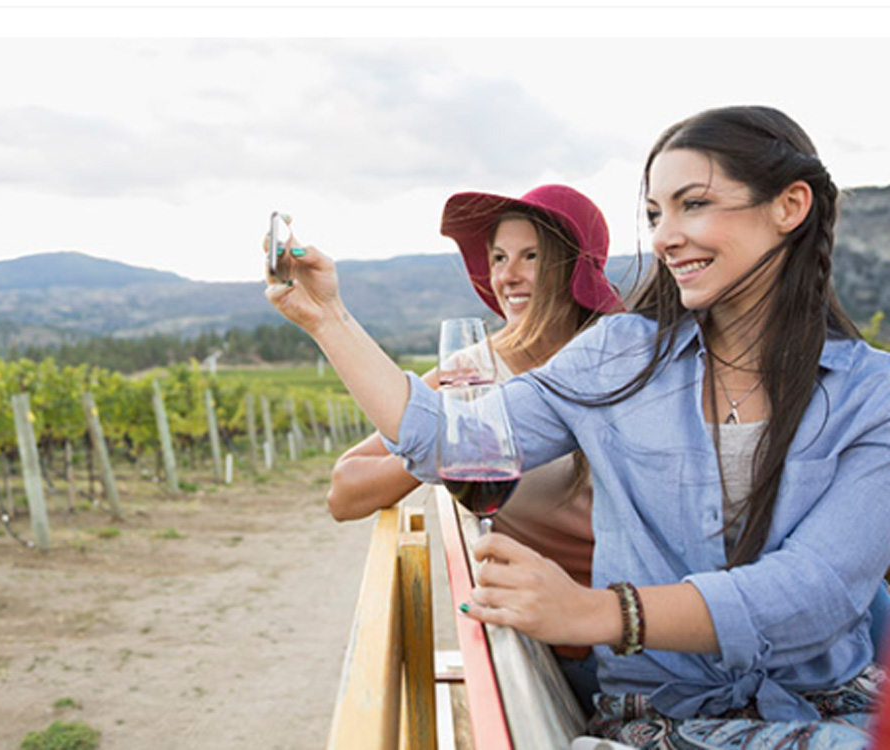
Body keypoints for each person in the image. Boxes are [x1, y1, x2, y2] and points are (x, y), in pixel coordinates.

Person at [266, 105, 890, 748]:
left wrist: (601, 612)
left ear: (789, 206)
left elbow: (816, 592)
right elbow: (450, 442)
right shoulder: (616, 355)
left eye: (692, 204)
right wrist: (327, 319)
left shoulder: (875, 395)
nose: (664, 237)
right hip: (665, 716)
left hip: (837, 704)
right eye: (654, 214)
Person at [326, 184, 623, 709]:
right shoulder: (475, 370)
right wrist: (453, 443)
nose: (508, 275)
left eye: (531, 256)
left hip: (638, 635)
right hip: (553, 651)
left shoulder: (624, 360)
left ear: (575, 266)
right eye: (499, 258)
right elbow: (344, 491)